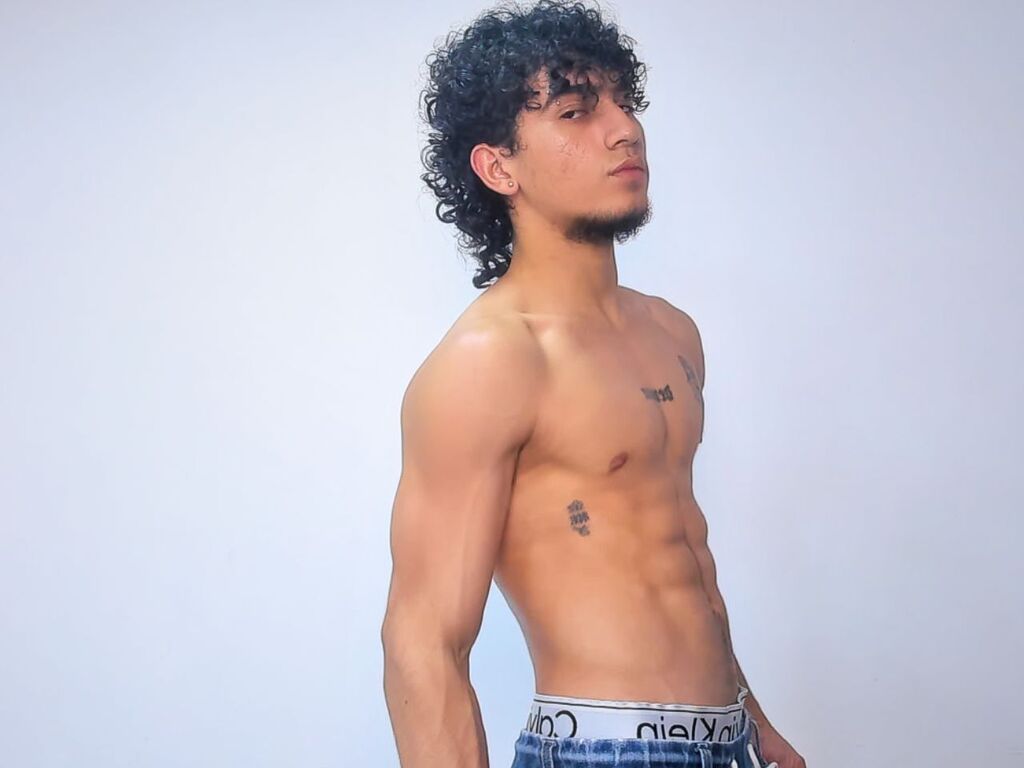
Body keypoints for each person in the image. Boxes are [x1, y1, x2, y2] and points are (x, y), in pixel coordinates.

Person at [381, 2, 806, 767]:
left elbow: (680, 554)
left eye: (623, 102)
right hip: (601, 748)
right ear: (499, 168)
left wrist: (752, 717)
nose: (624, 129)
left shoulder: (671, 333)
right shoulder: (492, 360)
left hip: (729, 741)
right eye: (577, 112)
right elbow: (423, 639)